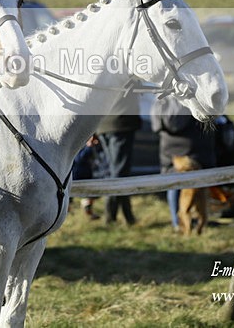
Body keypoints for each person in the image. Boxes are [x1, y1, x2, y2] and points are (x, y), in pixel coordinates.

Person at [152, 95, 217, 231]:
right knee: (199, 188)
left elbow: (156, 125)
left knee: (172, 184)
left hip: (169, 149)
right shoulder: (193, 97)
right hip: (194, 147)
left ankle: (177, 223)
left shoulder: (162, 99)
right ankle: (199, 221)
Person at [96, 94, 142, 225]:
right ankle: (110, 216)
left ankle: (128, 216)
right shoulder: (129, 79)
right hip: (121, 124)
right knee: (118, 173)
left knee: (117, 172)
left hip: (103, 126)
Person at [71, 134, 106, 220]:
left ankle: (88, 212)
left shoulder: (96, 147)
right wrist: (89, 147)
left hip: (88, 175)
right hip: (78, 176)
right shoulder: (80, 145)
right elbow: (79, 159)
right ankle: (70, 211)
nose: (96, 142)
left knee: (88, 195)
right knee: (72, 196)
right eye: (93, 140)